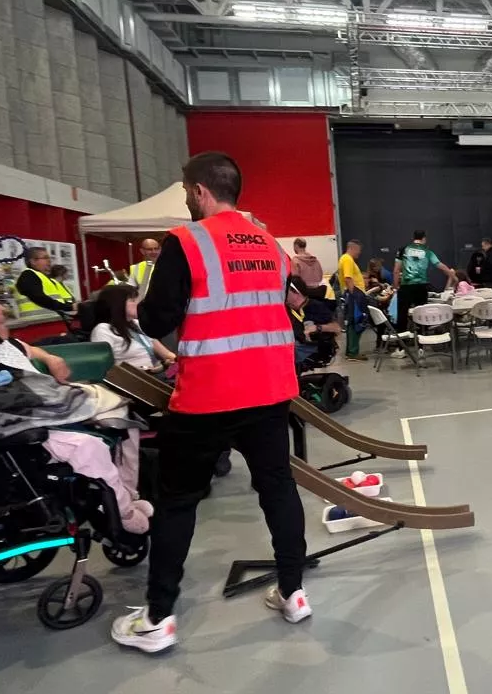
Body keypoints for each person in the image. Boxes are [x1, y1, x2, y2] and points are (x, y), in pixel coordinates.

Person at [112, 151, 312, 654]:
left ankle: (158, 617)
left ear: (199, 190)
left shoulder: (186, 241)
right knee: (278, 489)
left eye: (186, 190)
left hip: (209, 395)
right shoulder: (271, 244)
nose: (185, 198)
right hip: (270, 391)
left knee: (178, 502)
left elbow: (156, 320)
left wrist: (145, 303)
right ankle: (293, 592)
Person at [0, 283, 153, 535]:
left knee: (125, 419)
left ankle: (128, 493)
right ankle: (124, 512)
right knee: (88, 446)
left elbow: (30, 349)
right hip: (7, 438)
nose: (2, 309)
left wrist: (50, 358)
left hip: (45, 414)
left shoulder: (6, 345)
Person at [91, 283, 176, 373]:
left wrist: (178, 361)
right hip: (133, 379)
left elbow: (167, 354)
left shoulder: (137, 324)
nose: (138, 304)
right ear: (118, 305)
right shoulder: (103, 330)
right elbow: (104, 370)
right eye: (133, 300)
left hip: (156, 375)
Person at [394, 230, 456, 333]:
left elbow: (396, 270)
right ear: (424, 238)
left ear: (413, 238)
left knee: (402, 314)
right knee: (422, 314)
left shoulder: (403, 250)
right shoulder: (427, 251)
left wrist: (396, 286)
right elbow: (440, 265)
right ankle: (422, 337)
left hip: (406, 286)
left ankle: (402, 339)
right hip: (421, 286)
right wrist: (452, 275)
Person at [15, 246, 76, 319]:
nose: (49, 260)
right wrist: (69, 307)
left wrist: (73, 305)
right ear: (33, 261)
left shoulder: (43, 277)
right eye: (45, 258)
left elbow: (56, 300)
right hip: (37, 323)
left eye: (49, 258)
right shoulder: (28, 275)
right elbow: (40, 298)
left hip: (49, 321)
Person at [338, 239, 368, 362]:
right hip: (354, 295)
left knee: (352, 322)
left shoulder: (346, 259)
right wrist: (354, 294)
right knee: (356, 321)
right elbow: (348, 278)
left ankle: (351, 351)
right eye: (358, 250)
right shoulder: (347, 259)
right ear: (353, 248)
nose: (359, 253)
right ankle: (353, 352)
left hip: (353, 294)